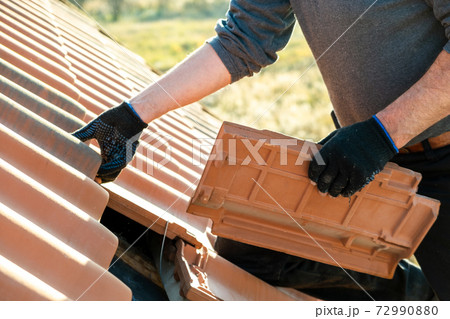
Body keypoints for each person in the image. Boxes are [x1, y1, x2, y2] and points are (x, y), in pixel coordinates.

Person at [73, 0, 450, 300]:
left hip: (426, 151)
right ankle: (416, 294)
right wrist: (131, 116)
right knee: (252, 248)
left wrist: (383, 133)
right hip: (365, 150)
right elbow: (243, 38)